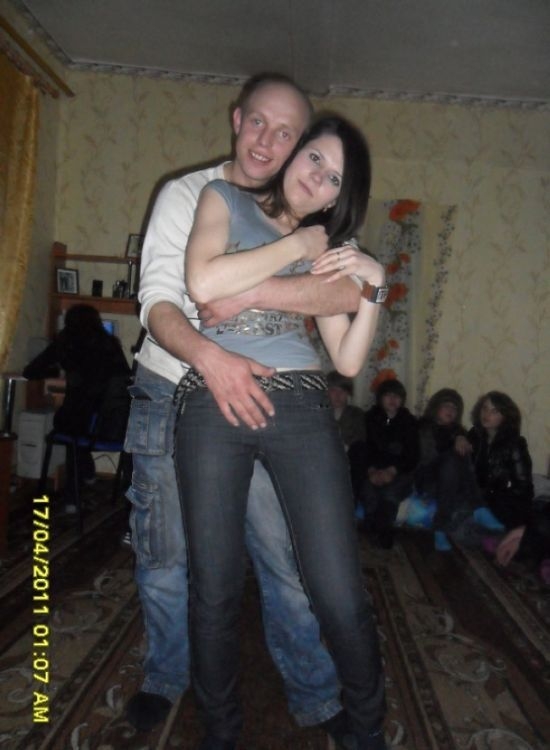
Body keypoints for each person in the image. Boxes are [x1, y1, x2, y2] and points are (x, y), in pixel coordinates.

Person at [125, 74, 364, 740]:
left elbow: (339, 297)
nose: (267, 141)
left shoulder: (295, 215)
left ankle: (315, 693)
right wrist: (213, 358)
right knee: (168, 556)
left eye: (286, 133)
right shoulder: (191, 194)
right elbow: (161, 302)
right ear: (236, 119)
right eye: (258, 122)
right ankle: (165, 678)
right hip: (172, 385)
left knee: (285, 558)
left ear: (299, 145)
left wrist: (260, 289)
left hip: (263, 395)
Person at [175, 115, 388, 750]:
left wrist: (375, 284)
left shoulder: (329, 250)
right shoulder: (224, 198)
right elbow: (203, 284)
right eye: (315, 157)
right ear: (293, 152)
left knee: (338, 589)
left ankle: (366, 730)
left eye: (335, 178)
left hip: (299, 404)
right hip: (212, 397)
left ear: (339, 197)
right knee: (214, 588)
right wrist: (296, 249)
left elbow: (347, 360)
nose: (319, 178)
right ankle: (220, 731)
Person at [23, 304, 131, 510]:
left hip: (79, 423)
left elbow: (30, 372)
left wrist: (58, 372)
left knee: (72, 426)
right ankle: (89, 474)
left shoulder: (65, 342)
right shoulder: (111, 344)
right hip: (112, 427)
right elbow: (124, 380)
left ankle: (72, 498)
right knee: (82, 425)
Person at [414, 388, 481, 551]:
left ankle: (476, 508)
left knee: (458, 456)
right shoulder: (422, 427)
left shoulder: (460, 432)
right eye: (446, 405)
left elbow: (468, 466)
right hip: (428, 480)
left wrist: (460, 438)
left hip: (453, 485)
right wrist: (454, 440)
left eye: (455, 408)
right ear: (436, 407)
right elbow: (425, 459)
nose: (451, 410)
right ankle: (442, 525)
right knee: (451, 459)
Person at [359, 378, 419, 548]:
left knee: (390, 493)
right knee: (368, 490)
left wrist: (392, 471)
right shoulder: (368, 419)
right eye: (388, 395)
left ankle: (384, 531)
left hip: (400, 472)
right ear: (380, 398)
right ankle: (372, 529)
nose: (393, 399)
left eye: (397, 396)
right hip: (373, 470)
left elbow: (412, 455)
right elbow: (363, 449)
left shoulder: (409, 421)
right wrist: (371, 470)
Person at [468, 391, 534, 530]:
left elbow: (524, 488)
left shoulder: (515, 444)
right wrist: (459, 438)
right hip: (478, 497)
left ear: (505, 416)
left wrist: (492, 495)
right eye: (485, 408)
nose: (486, 414)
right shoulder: (475, 435)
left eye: (494, 411)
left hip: (503, 502)